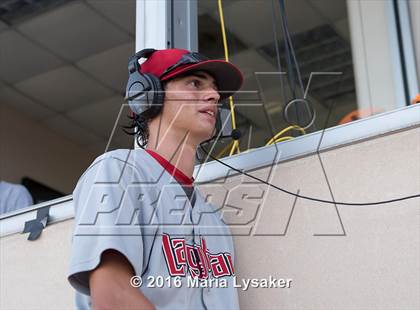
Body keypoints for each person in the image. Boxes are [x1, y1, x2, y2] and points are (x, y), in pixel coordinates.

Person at [67, 48, 243, 309]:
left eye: (215, 88)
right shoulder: (118, 172)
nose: (214, 95)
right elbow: (113, 294)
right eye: (195, 83)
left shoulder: (214, 221)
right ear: (147, 97)